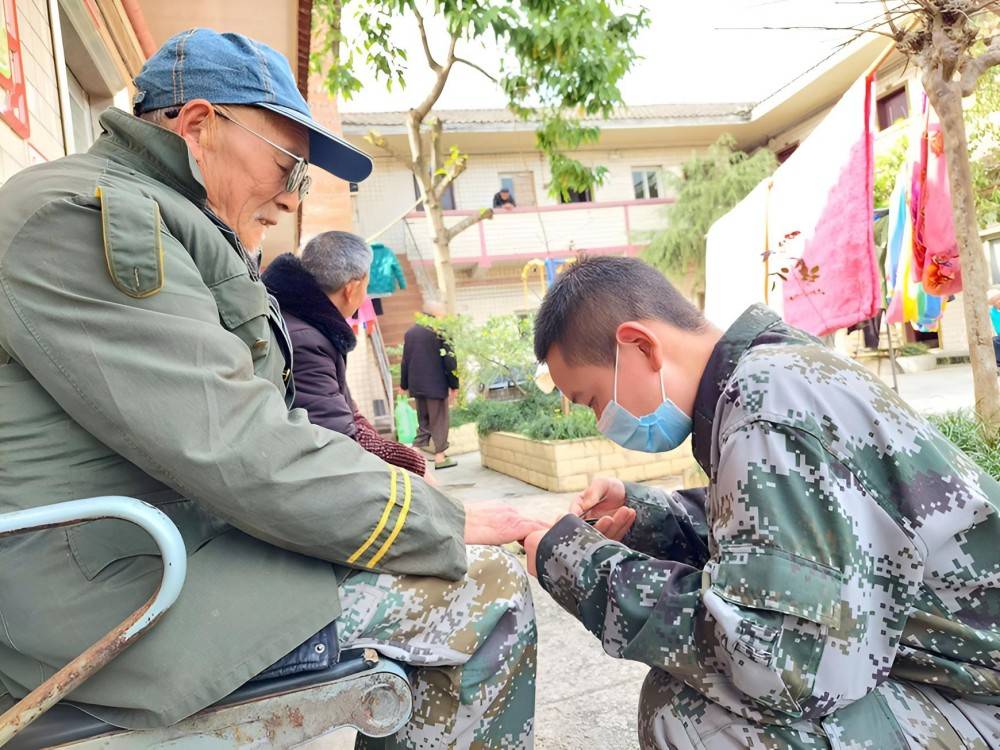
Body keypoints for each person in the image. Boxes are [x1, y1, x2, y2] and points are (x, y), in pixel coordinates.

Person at [0, 29, 545, 748]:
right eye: (290, 164)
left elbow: (266, 429)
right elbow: (234, 444)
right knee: (486, 593)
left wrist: (409, 510)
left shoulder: (168, 219)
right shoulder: (90, 216)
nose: (293, 198)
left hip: (174, 555)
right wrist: (436, 521)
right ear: (199, 125)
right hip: (113, 602)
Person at [523, 256, 1000, 749]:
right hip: (950, 669)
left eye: (594, 399)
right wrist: (644, 514)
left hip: (978, 698)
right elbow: (766, 536)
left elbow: (782, 666)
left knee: (693, 717)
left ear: (641, 345)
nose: (603, 421)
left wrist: (577, 564)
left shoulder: (765, 406)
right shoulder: (771, 372)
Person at [262, 232, 429, 481]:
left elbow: (349, 412)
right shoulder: (306, 340)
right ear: (351, 289)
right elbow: (338, 438)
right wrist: (413, 463)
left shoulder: (305, 321)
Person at [401, 303, 460, 470]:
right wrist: (454, 384)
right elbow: (449, 360)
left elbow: (405, 361)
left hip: (417, 385)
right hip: (436, 384)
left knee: (424, 420)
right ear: (437, 314)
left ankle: (414, 452)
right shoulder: (440, 332)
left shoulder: (411, 333)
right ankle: (440, 457)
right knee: (439, 419)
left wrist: (404, 384)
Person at [988, 287, 1000, 367]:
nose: (999, 301)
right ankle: (998, 362)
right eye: (995, 300)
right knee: (994, 341)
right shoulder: (992, 312)